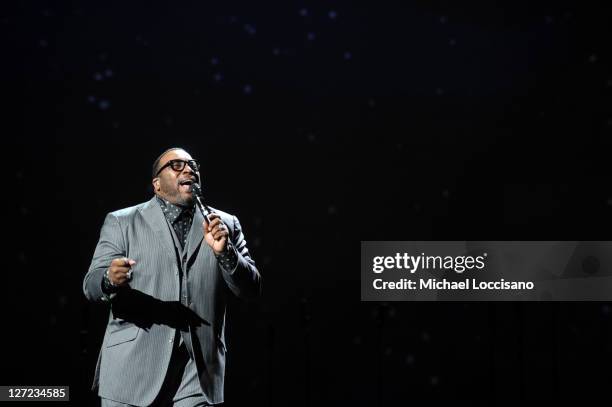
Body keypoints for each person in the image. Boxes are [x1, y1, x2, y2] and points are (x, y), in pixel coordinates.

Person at [83, 147, 262, 406]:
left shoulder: (225, 223)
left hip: (197, 373)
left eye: (193, 165)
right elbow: (91, 285)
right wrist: (109, 279)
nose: (189, 169)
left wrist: (227, 254)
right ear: (156, 184)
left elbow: (251, 289)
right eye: (176, 165)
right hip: (132, 369)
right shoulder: (122, 221)